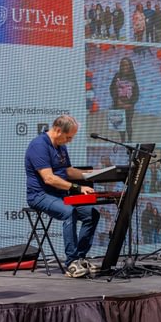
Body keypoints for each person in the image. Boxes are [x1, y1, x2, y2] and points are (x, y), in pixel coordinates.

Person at [25, 115, 100, 278]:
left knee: (92, 214)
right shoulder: (38, 145)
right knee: (69, 212)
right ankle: (71, 263)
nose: (70, 141)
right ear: (58, 130)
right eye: (68, 137)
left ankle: (80, 257)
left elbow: (68, 171)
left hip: (60, 195)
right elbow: (49, 178)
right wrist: (78, 188)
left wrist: (94, 174)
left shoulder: (61, 146)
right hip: (40, 195)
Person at [109, 57, 139, 142]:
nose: (124, 66)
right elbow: (111, 88)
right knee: (120, 124)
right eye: (122, 65)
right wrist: (117, 101)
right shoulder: (117, 76)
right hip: (118, 104)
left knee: (128, 123)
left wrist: (131, 103)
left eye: (126, 64)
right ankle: (123, 141)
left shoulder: (132, 76)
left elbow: (136, 92)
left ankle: (130, 140)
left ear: (130, 66)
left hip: (129, 105)